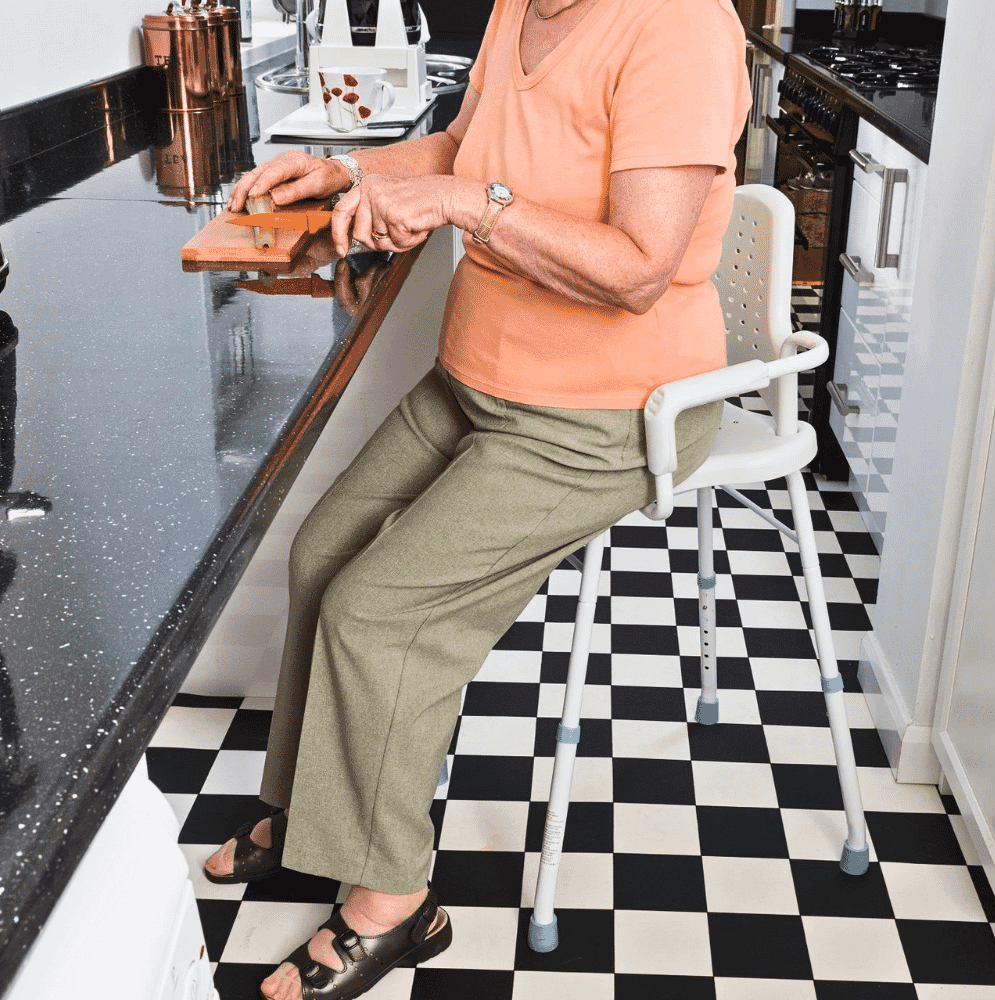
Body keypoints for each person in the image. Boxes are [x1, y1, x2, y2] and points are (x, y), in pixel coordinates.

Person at [205, 0, 750, 996]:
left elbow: (636, 271)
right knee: (324, 553)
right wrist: (355, 171)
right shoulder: (523, 5)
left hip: (602, 409)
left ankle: (394, 903)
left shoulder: (677, 26)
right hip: (479, 375)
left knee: (383, 615)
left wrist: (461, 204)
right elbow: (466, 143)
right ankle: (318, 816)